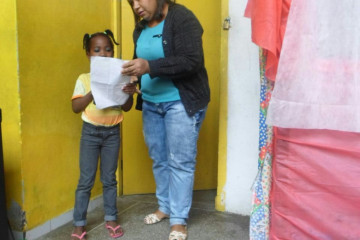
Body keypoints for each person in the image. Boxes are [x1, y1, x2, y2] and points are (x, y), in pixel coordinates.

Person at [122, 1, 210, 240]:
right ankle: (165, 207)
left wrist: (150, 66)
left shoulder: (182, 18)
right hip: (151, 102)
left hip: (180, 102)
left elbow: (192, 60)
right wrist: (132, 79)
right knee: (159, 158)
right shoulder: (140, 28)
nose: (136, 5)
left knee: (180, 161)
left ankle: (179, 219)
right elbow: (139, 61)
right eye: (131, 2)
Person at [71, 29, 137, 240]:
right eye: (97, 50)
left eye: (108, 49)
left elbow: (126, 107)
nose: (103, 53)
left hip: (112, 134)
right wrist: (93, 90)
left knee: (109, 178)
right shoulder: (84, 78)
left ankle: (111, 217)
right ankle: (79, 224)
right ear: (89, 55)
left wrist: (128, 91)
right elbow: (75, 106)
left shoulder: (121, 76)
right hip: (90, 133)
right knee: (86, 180)